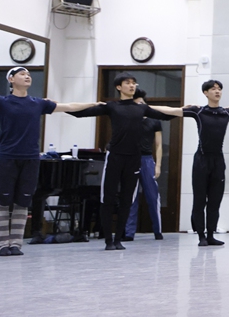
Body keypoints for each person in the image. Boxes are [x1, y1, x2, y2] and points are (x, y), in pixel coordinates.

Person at [0, 67, 93, 256]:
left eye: (29, 75)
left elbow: (68, 106)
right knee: (3, 201)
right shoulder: (0, 102)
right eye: (22, 74)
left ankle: (15, 244)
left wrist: (93, 103)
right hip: (8, 157)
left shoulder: (38, 103)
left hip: (31, 158)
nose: (27, 77)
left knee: (23, 202)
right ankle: (2, 244)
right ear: (11, 79)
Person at [69, 75, 176, 251]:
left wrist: (185, 110)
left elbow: (164, 115)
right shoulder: (112, 106)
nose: (132, 85)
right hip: (115, 157)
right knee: (108, 198)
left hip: (134, 159)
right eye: (128, 83)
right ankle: (108, 240)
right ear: (119, 87)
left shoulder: (141, 109)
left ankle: (118, 239)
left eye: (134, 83)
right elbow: (80, 113)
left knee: (127, 199)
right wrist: (59, 107)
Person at [150, 80, 229, 246]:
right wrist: (146, 107)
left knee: (215, 201)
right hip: (201, 160)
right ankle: (201, 236)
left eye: (219, 89)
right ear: (205, 92)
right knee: (199, 200)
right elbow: (172, 110)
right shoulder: (198, 111)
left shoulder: (227, 112)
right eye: (213, 89)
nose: (217, 91)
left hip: (218, 160)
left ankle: (211, 234)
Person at [123, 88, 163, 241]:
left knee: (152, 196)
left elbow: (159, 145)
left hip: (147, 160)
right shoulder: (130, 119)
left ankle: (157, 230)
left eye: (141, 102)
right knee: (131, 197)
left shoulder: (154, 120)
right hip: (131, 159)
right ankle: (128, 232)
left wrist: (158, 165)